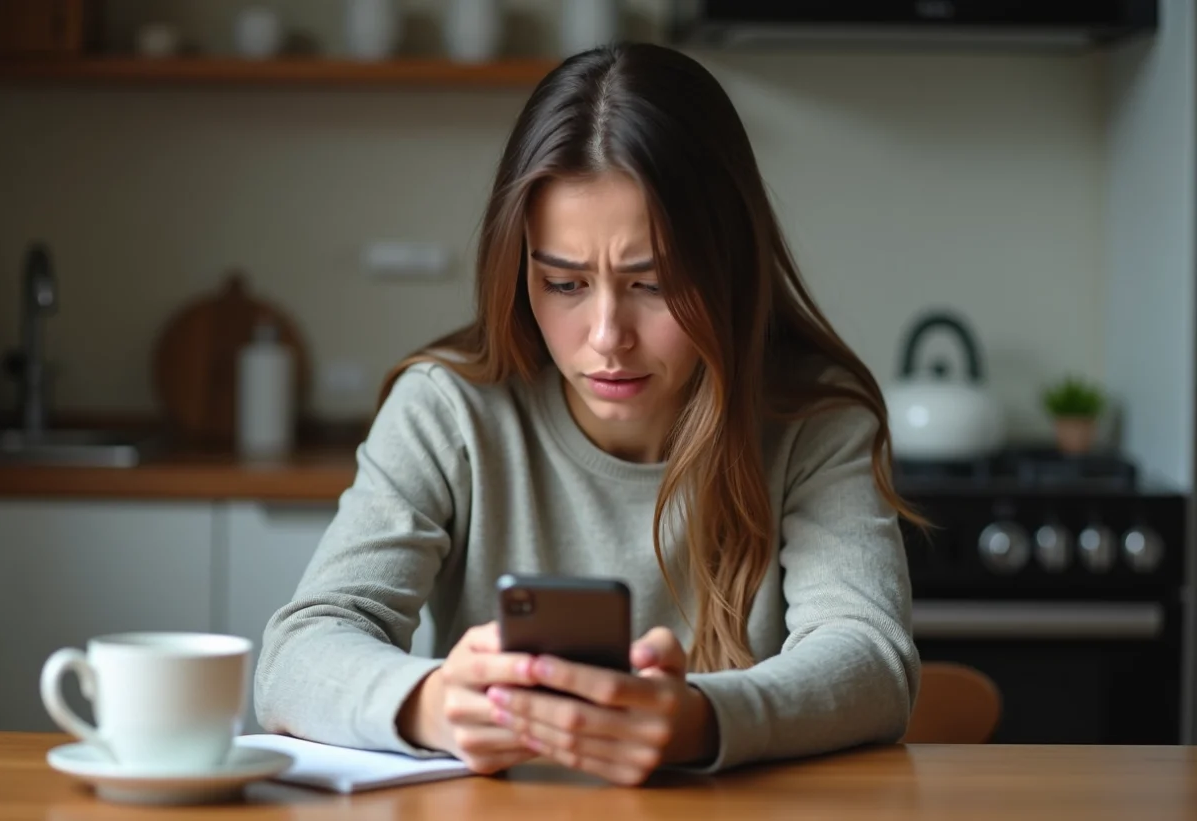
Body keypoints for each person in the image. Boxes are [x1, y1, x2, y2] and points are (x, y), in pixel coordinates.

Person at [256, 42, 921, 786]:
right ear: (520, 272)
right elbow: (296, 652)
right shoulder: (449, 409)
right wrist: (430, 701)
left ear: (728, 266)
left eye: (654, 283)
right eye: (565, 284)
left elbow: (871, 659)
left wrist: (699, 717)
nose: (607, 337)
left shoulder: (814, 420)